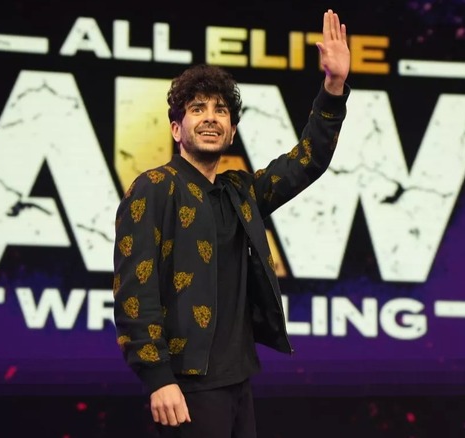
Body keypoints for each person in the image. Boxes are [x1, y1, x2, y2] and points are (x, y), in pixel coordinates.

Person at [112, 9, 350, 437]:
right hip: (186, 385)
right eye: (197, 109)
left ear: (231, 132)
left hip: (238, 381)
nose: (210, 117)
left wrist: (333, 87)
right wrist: (158, 378)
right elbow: (135, 292)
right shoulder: (153, 188)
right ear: (176, 128)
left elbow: (307, 161)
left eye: (221, 111)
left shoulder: (240, 193)